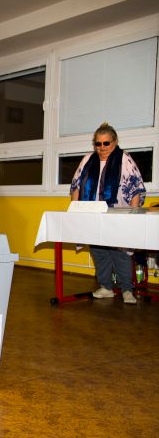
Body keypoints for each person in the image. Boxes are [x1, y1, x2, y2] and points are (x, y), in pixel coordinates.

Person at [70, 122, 146, 304]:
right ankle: (106, 287)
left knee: (121, 252)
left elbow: (136, 187)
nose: (102, 148)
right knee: (99, 250)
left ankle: (127, 289)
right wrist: (75, 208)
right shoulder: (87, 160)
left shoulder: (124, 159)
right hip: (92, 214)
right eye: (98, 144)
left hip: (119, 214)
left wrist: (132, 213)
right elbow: (76, 185)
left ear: (115, 142)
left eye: (106, 143)